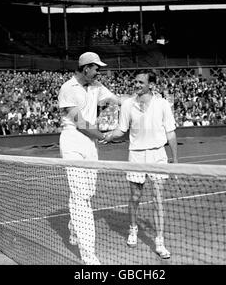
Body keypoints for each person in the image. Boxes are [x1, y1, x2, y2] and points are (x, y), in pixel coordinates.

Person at [103, 70, 178, 259]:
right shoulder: (128, 104)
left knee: (158, 198)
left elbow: (171, 133)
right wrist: (108, 136)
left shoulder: (162, 104)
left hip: (157, 155)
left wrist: (175, 159)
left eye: (140, 82)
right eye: (135, 82)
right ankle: (133, 229)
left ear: (151, 85)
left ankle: (159, 242)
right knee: (135, 196)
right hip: (136, 156)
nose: (136, 85)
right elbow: (121, 130)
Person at [58, 52, 122, 265]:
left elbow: (117, 100)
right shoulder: (67, 88)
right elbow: (81, 122)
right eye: (96, 68)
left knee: (87, 193)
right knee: (80, 197)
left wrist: (145, 97)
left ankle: (74, 225)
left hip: (90, 144)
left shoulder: (97, 86)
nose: (99, 72)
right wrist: (104, 136)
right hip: (73, 141)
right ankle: (89, 256)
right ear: (86, 68)